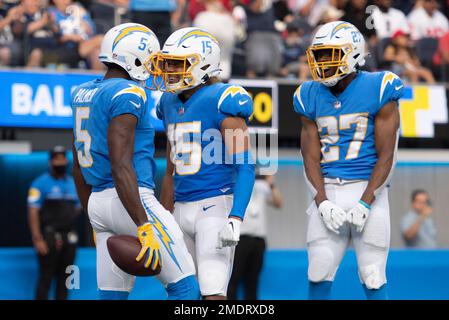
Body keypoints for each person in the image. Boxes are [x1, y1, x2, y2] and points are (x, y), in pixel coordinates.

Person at [71, 23, 199, 300]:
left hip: (97, 203)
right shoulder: (129, 93)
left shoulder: (82, 92)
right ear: (135, 58)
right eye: (151, 60)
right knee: (186, 289)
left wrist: (93, 216)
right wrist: (142, 223)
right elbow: (120, 164)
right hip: (131, 200)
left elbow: (77, 165)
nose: (154, 68)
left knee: (112, 296)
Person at [293, 21, 404, 300]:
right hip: (328, 189)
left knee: (373, 275)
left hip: (368, 189)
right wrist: (322, 201)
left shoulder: (379, 86)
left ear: (352, 54)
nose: (321, 63)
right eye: (319, 55)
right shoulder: (308, 94)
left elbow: (387, 155)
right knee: (317, 271)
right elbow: (309, 157)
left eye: (329, 54)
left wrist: (367, 201)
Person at [153, 27, 255, 299]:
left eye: (178, 64)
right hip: (179, 209)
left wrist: (236, 216)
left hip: (214, 207)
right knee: (182, 294)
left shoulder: (223, 99)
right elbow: (170, 169)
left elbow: (245, 165)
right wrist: (165, 215)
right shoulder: (168, 102)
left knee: (212, 292)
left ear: (204, 65)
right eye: (168, 64)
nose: (170, 71)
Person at [27, 145, 81, 300]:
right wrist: (37, 238)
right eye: (57, 159)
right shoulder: (40, 183)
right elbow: (32, 211)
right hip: (49, 236)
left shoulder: (72, 183)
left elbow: (78, 207)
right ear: (51, 162)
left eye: (63, 158)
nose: (60, 162)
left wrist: (67, 216)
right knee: (46, 277)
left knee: (66, 279)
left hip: (69, 236)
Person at [228, 172, 283, 300]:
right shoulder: (234, 183)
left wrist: (272, 184)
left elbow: (278, 203)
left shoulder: (262, 185)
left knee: (253, 281)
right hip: (239, 239)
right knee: (233, 279)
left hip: (258, 239)